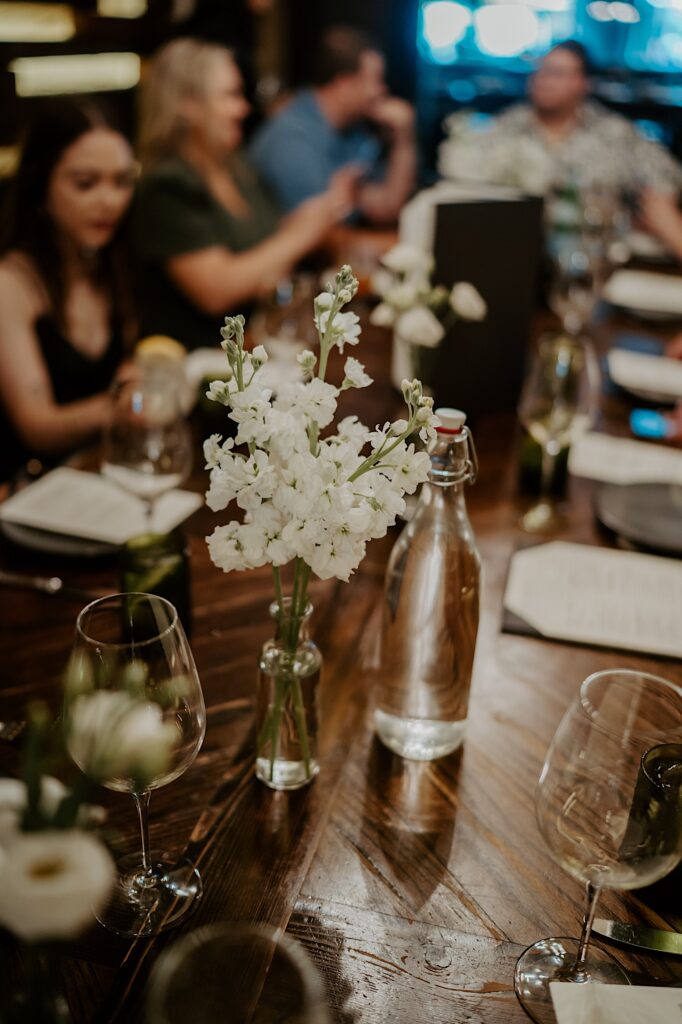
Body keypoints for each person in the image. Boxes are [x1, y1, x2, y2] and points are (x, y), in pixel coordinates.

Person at [134, 38, 355, 351]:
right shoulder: (167, 185)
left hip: (264, 350)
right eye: (231, 95)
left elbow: (269, 252)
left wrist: (321, 211)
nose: (243, 108)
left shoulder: (241, 170)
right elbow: (216, 290)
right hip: (203, 371)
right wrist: (304, 231)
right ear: (187, 105)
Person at [0, 99, 137, 484]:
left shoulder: (107, 261)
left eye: (122, 181)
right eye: (85, 183)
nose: (110, 201)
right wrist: (123, 406)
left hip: (97, 474)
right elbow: (36, 425)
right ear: (40, 187)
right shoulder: (11, 282)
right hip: (30, 491)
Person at [438, 41, 682, 206]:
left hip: (593, 251)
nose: (544, 80)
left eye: (557, 73)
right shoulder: (505, 127)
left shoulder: (614, 133)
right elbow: (460, 181)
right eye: (541, 71)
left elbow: (667, 178)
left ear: (583, 83)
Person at [249, 25, 416, 223]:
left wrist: (404, 137)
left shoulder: (353, 132)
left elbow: (387, 206)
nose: (381, 90)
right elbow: (316, 233)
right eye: (375, 80)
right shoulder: (291, 139)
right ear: (344, 84)